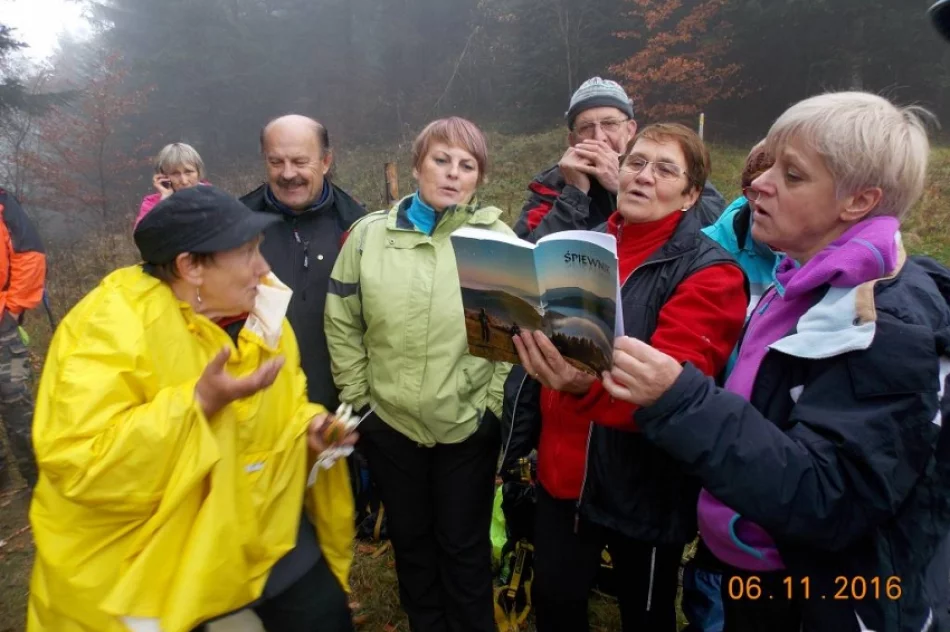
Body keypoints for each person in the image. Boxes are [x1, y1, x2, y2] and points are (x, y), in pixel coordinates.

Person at [603, 92, 950, 632]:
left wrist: (681, 399)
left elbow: (826, 495)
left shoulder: (881, 326)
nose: (758, 184)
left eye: (791, 175)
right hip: (750, 569)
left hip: (814, 595)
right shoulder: (799, 282)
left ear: (858, 201)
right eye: (767, 165)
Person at [28, 186, 356, 632]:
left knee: (324, 616)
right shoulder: (109, 328)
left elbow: (287, 399)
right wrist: (198, 404)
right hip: (168, 552)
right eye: (246, 252)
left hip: (268, 525)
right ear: (191, 266)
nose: (263, 267)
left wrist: (309, 426)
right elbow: (80, 462)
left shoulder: (263, 311)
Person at [511, 123, 748, 632]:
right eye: (636, 163)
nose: (643, 176)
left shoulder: (711, 272)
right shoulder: (579, 246)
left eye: (665, 170)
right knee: (555, 603)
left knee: (645, 615)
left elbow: (674, 389)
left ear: (691, 195)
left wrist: (584, 386)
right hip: (561, 472)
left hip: (643, 486)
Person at [325, 117, 513, 632]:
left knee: (463, 546)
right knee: (411, 542)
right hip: (391, 424)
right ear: (416, 166)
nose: (453, 173)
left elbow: (512, 343)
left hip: (466, 426)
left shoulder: (495, 241)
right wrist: (362, 400)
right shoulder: (368, 237)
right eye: (441, 160)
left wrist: (491, 411)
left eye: (467, 165)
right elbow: (343, 320)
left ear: (479, 178)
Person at [681, 141, 782, 632]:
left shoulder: (826, 261)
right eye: (755, 190)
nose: (764, 199)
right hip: (716, 430)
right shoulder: (708, 250)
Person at [241, 115, 365, 415]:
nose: (287, 173)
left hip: (342, 409)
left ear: (325, 162)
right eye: (276, 162)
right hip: (262, 408)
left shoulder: (357, 226)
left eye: (299, 162)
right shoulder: (237, 226)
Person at [512, 76, 727, 243]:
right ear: (572, 140)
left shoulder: (665, 169)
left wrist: (623, 184)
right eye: (586, 127)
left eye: (610, 124)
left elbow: (716, 226)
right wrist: (574, 195)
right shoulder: (555, 180)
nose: (599, 137)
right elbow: (525, 254)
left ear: (630, 130)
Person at [0, 187, 45, 492]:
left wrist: (14, 308)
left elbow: (30, 254)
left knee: (19, 403)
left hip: (5, 330)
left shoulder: (3, 203)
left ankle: (39, 481)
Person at [135, 142, 209, 228]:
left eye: (188, 172)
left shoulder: (213, 197)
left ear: (198, 172)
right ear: (163, 176)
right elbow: (143, 233)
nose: (184, 181)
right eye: (175, 174)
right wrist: (165, 202)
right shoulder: (152, 203)